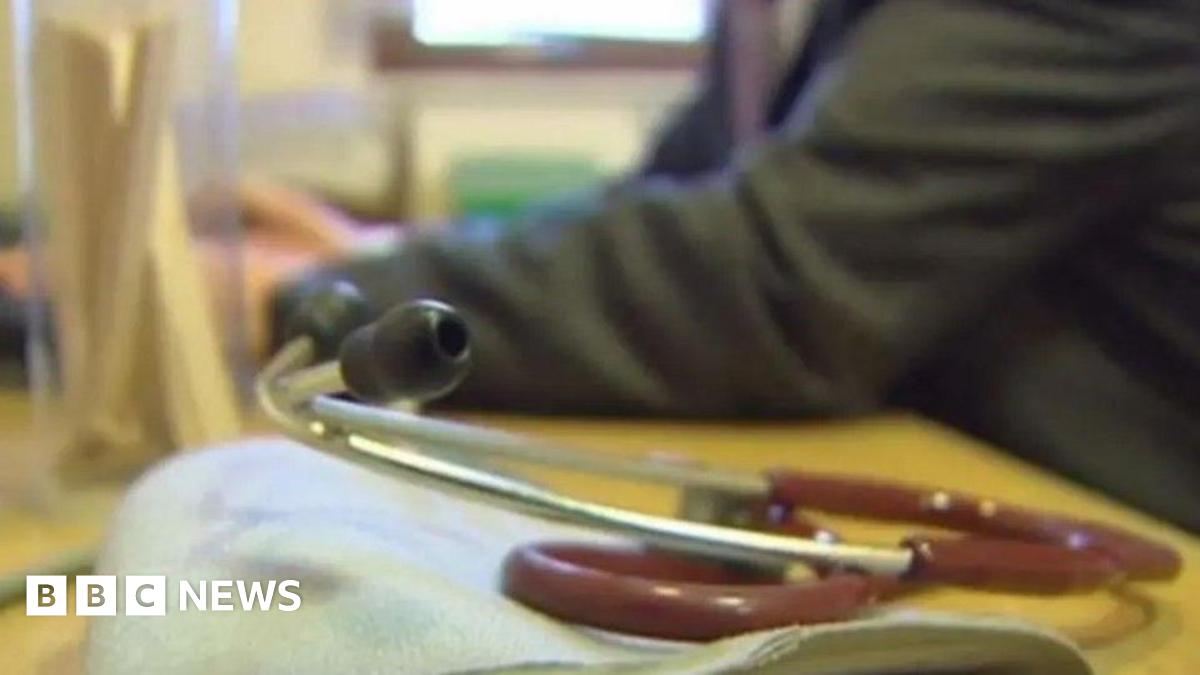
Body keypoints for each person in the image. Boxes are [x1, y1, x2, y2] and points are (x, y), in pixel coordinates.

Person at [12, 0, 1200, 531]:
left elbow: (770, 283)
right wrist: (379, 256)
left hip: (1126, 539)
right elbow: (673, 205)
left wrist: (282, 294)